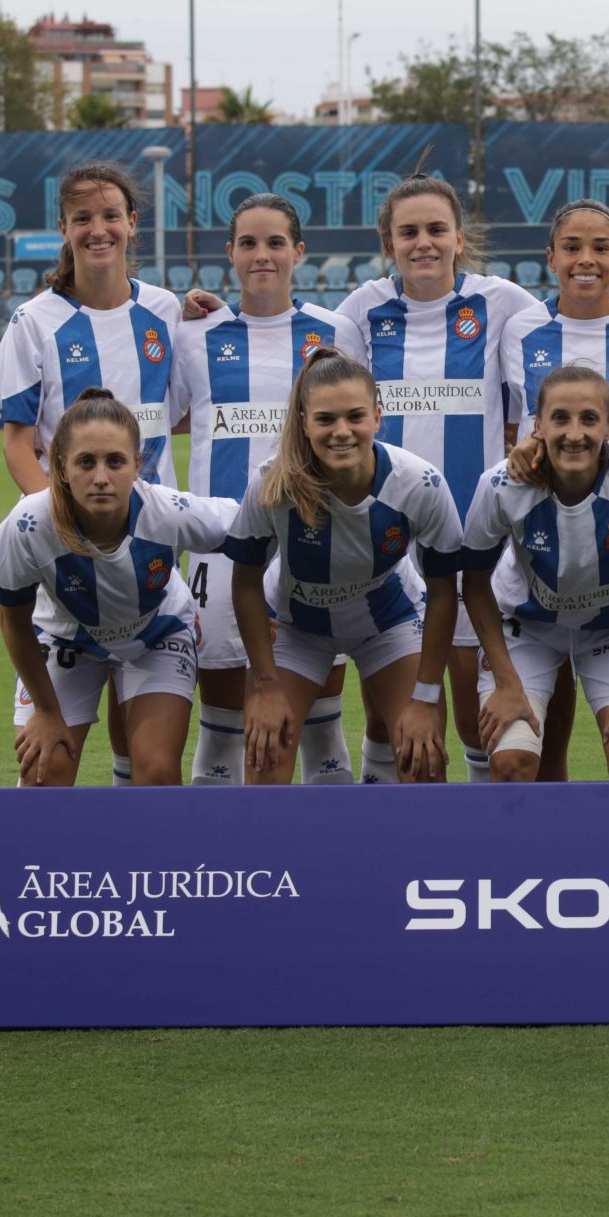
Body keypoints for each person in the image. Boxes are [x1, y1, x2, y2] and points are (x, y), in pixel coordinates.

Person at [336, 176, 609, 782]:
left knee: (485, 723)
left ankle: (502, 817)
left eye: (437, 229)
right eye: (409, 232)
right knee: (394, 711)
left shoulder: (505, 306)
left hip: (489, 537)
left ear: (459, 238)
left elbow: (577, 340)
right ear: (389, 243)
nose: (424, 242)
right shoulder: (359, 310)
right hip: (391, 529)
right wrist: (198, 311)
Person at [0, 162, 185, 786]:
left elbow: (183, 414)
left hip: (149, 560)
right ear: (64, 228)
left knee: (149, 766)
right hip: (70, 568)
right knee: (46, 772)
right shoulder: (33, 322)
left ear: (131, 223)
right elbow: (18, 445)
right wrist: (65, 525)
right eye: (83, 218)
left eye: (109, 216)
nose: (97, 229)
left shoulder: (165, 311)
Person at [171, 192, 368, 787]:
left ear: (298, 252)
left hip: (313, 543)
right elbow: (167, 419)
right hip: (220, 548)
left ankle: (317, 843)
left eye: (276, 243)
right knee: (222, 729)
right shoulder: (194, 336)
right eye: (249, 243)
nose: (263, 255)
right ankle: (227, 844)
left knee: (321, 728)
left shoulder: (335, 331)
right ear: (229, 252)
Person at [494, 199, 609, 778]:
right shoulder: (519, 329)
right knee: (535, 749)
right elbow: (512, 429)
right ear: (549, 257)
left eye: (600, 248)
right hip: (540, 557)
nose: (586, 259)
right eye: (571, 247)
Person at [223, 351, 466, 784]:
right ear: (304, 423)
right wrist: (264, 684)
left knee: (423, 763)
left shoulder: (420, 483)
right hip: (297, 629)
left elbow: (444, 590)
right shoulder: (272, 482)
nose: (341, 432)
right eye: (325, 419)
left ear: (377, 416)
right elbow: (245, 582)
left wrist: (426, 696)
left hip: (389, 622)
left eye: (355, 416)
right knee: (265, 760)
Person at [0, 389, 238, 787]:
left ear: (138, 465)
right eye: (86, 462)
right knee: (43, 772)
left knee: (157, 772)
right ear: (61, 467)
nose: (101, 478)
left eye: (116, 461)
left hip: (156, 633)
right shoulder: (26, 526)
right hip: (65, 639)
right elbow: (13, 623)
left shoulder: (167, 512)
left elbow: (254, 523)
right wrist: (47, 712)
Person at [462, 365, 609, 782]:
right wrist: (507, 683)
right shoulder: (501, 484)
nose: (574, 434)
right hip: (527, 629)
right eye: (560, 418)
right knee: (511, 764)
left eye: (589, 419)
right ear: (538, 425)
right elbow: (474, 583)